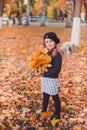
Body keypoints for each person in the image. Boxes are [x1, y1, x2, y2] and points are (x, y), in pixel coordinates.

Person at [39, 32, 62, 121]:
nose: (49, 43)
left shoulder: (57, 55)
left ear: (55, 42)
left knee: (55, 96)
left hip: (52, 79)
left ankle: (57, 113)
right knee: (45, 95)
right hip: (44, 79)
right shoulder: (45, 54)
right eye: (47, 42)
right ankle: (44, 110)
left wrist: (44, 73)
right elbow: (41, 65)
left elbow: (56, 69)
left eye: (51, 41)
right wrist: (39, 69)